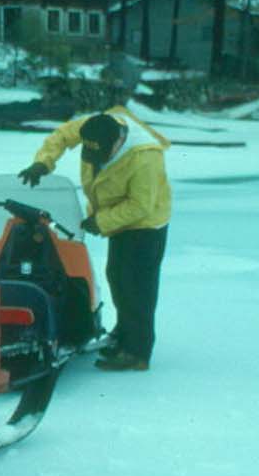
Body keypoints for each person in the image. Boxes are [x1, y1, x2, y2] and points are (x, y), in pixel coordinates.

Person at [18, 106, 172, 372]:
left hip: (146, 224)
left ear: (118, 142)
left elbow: (140, 205)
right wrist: (43, 162)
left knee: (137, 286)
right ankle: (124, 333)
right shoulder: (95, 125)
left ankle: (137, 352)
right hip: (118, 216)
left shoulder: (145, 159)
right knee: (117, 276)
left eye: (101, 156)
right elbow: (61, 136)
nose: (94, 162)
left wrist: (101, 221)